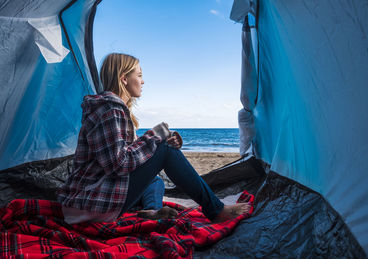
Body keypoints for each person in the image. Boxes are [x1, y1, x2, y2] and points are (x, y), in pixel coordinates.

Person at [57, 53, 251, 224]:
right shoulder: (111, 109)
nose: (143, 81)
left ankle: (151, 210)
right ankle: (216, 211)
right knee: (165, 151)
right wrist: (156, 138)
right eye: (139, 75)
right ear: (124, 78)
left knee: (156, 181)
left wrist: (160, 141)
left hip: (89, 200)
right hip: (91, 204)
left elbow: (130, 154)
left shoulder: (112, 109)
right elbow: (118, 164)